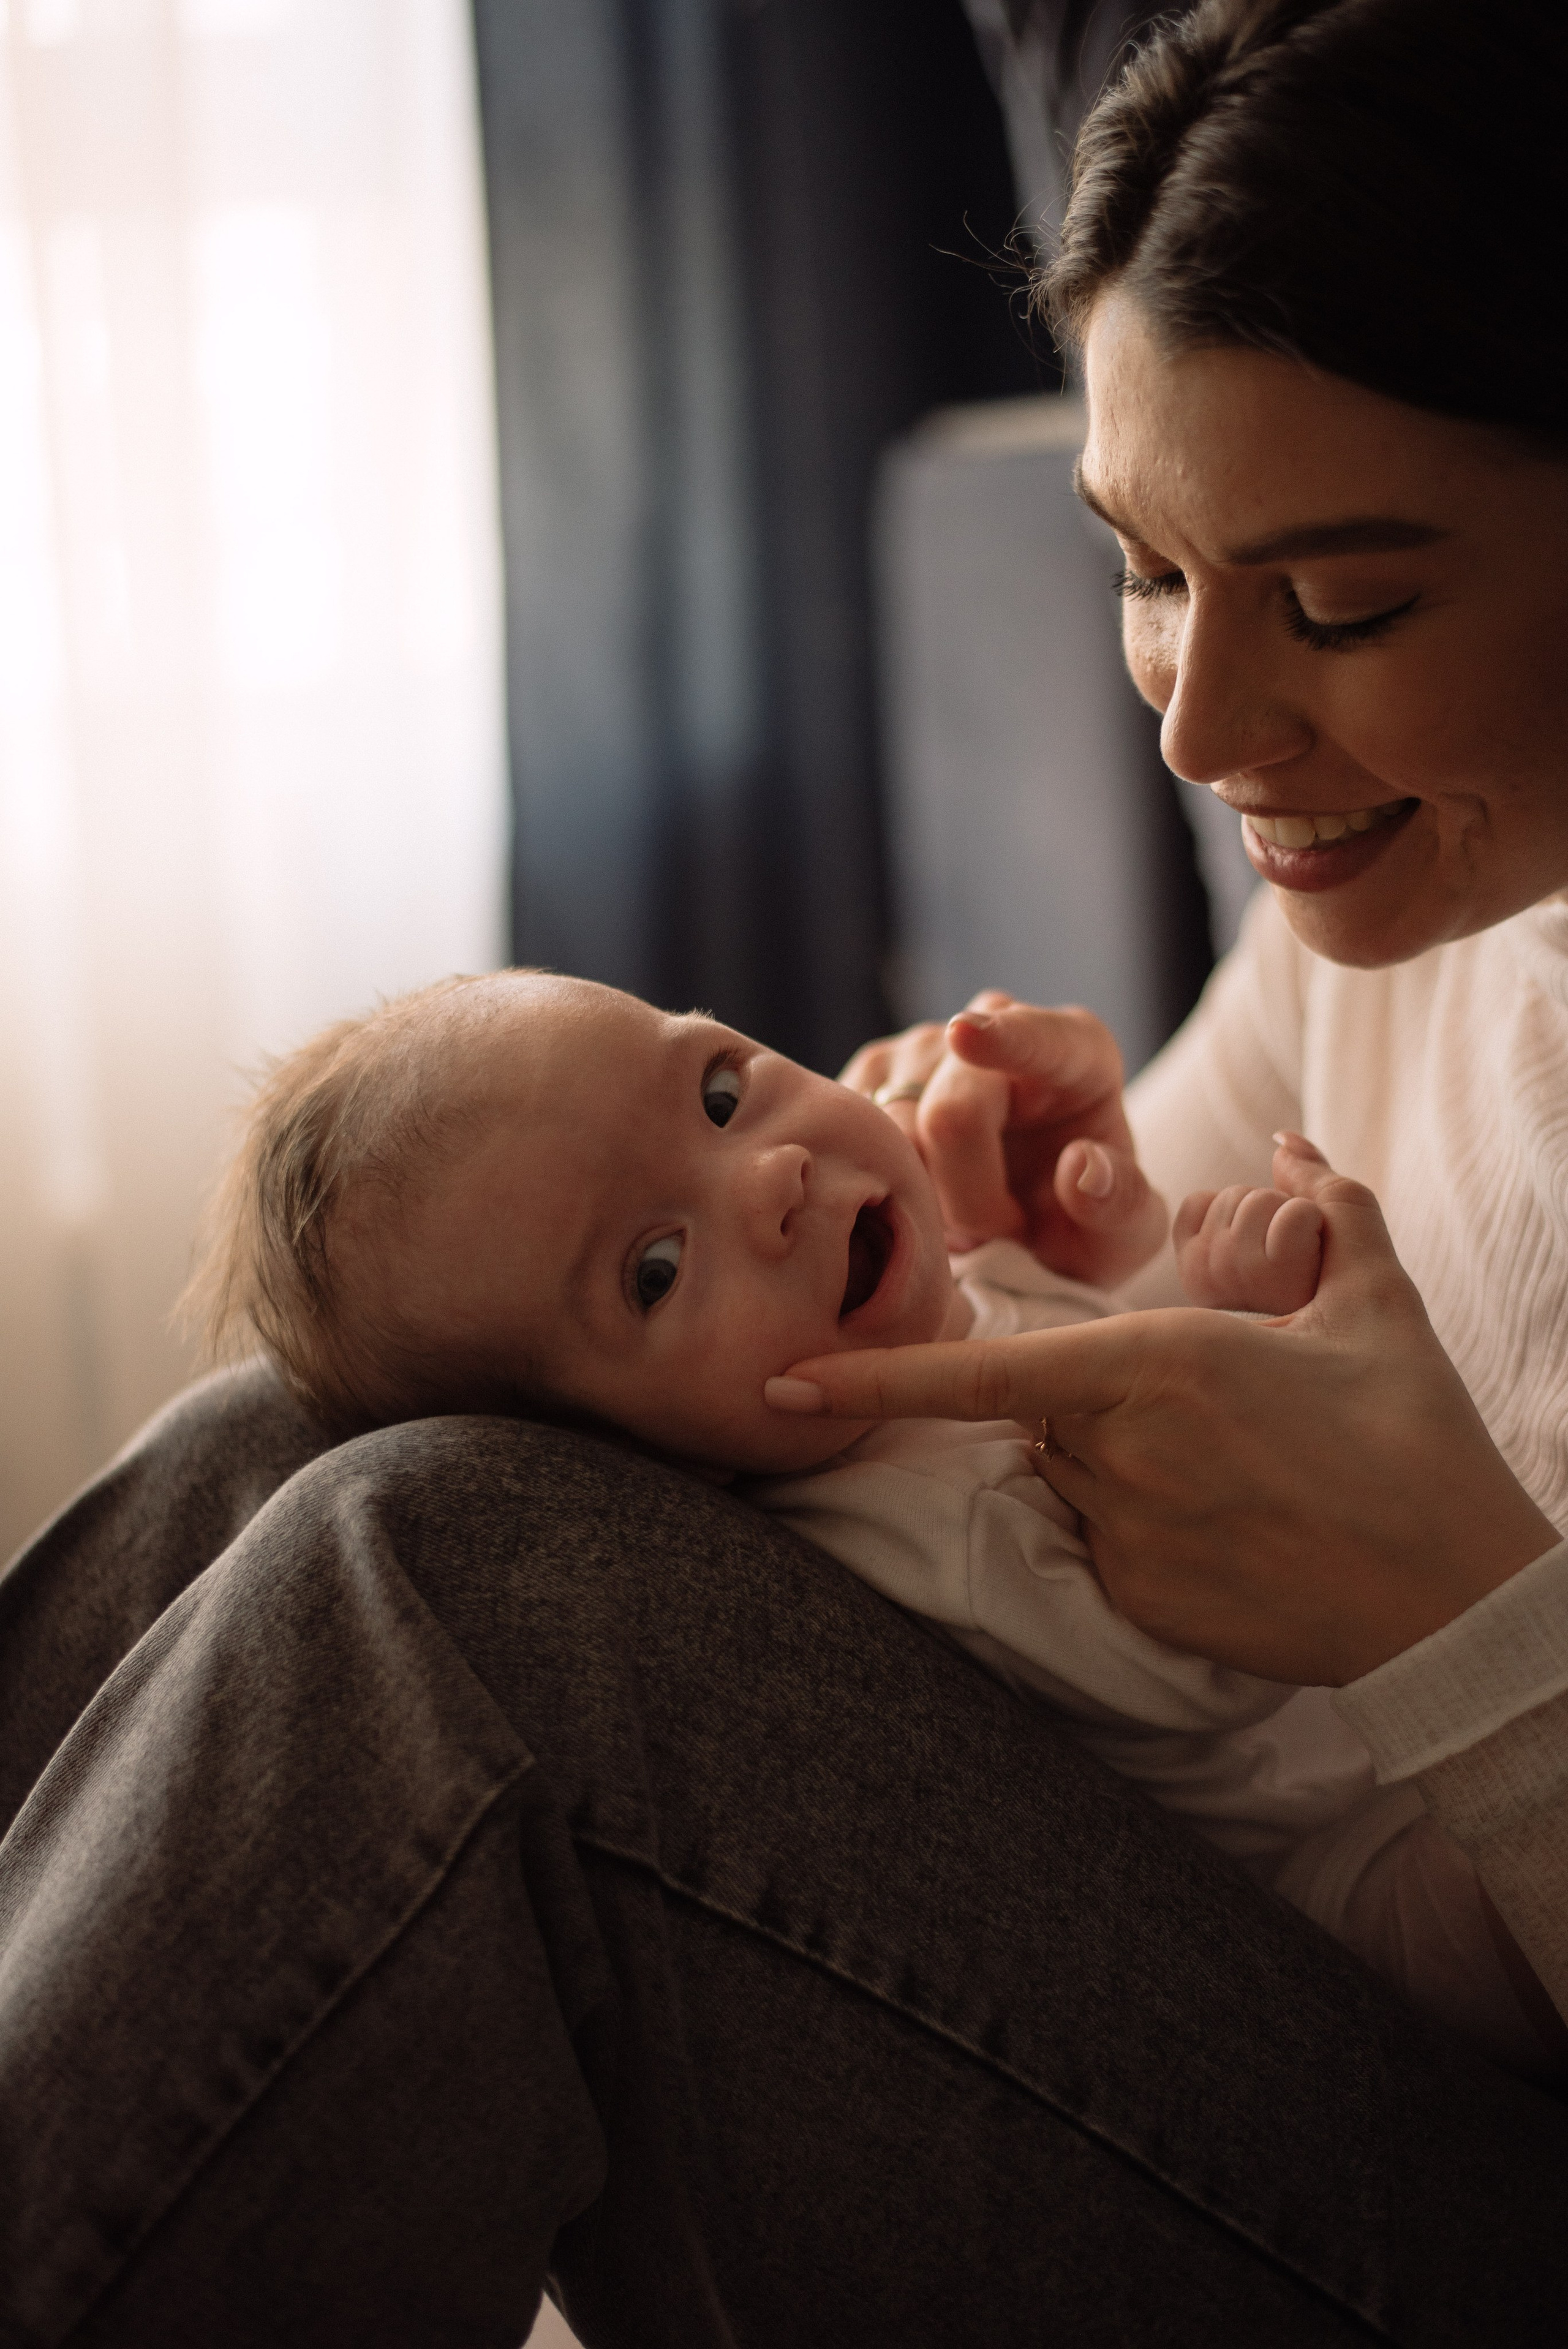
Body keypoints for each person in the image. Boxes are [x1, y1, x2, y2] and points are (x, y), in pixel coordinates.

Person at [6, 1, 1568, 2342]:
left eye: (1338, 604)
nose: (1200, 728)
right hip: (1249, 1896)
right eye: (1147, 565)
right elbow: (1160, 1240)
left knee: (441, 1585)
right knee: (303, 1425)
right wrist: (1047, 1204)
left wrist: (1458, 1609)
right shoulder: (1433, 900)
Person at [187, 965, 1546, 2078]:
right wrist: (1272, 1417)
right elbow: (1201, 1675)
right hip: (1341, 1882)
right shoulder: (920, 1530)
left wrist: (1167, 1261)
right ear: (631, 1474)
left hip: (1392, 1764)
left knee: (252, 1453)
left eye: (719, 1092)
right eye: (654, 1270)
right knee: (249, 1442)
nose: (767, 1178)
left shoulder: (907, 1317)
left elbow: (1076, 1325)